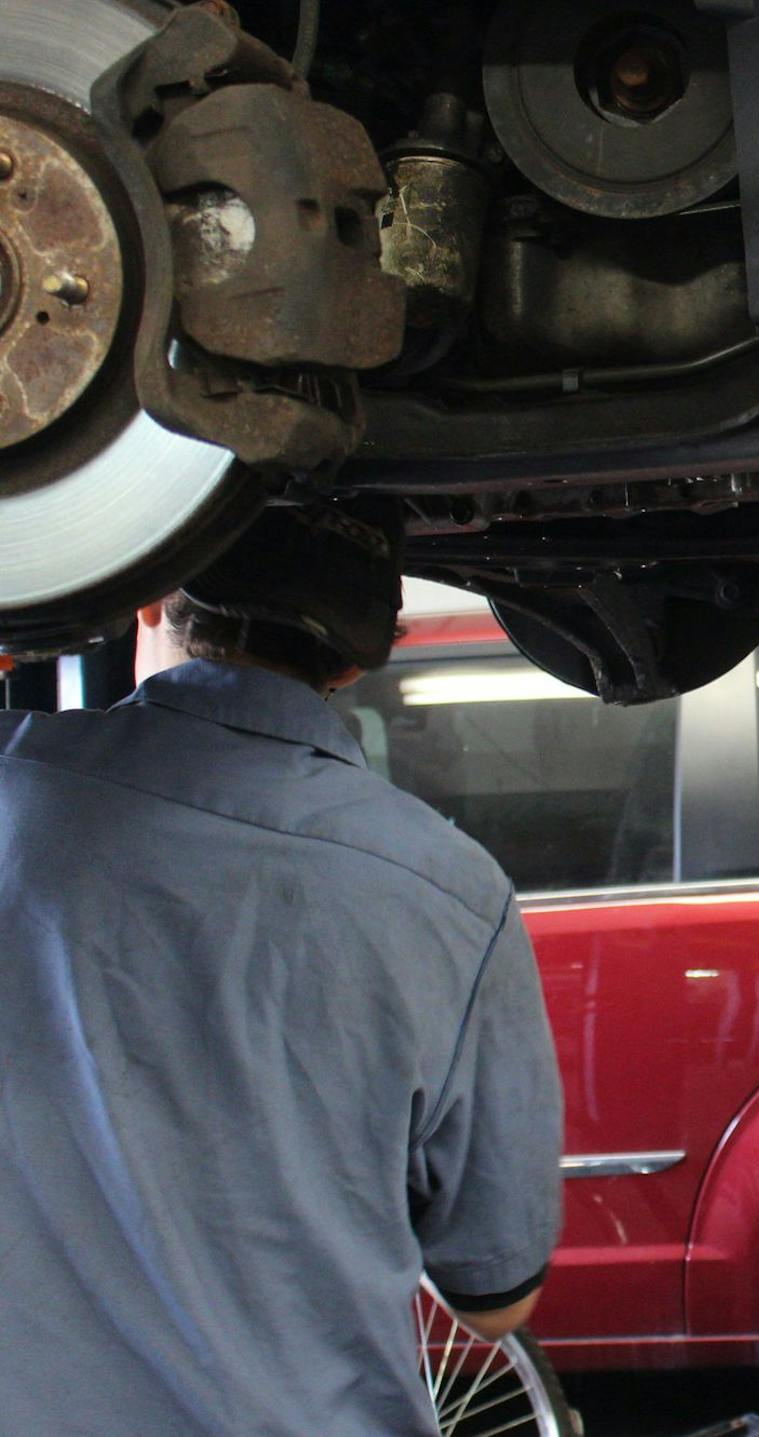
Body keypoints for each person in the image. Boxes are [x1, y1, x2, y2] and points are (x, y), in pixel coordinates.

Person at [0, 500, 564, 1436]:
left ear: (150, 603)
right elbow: (494, 1297)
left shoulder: (15, 797)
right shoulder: (455, 895)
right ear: (356, 659)